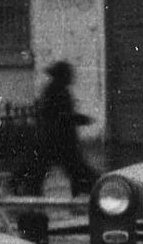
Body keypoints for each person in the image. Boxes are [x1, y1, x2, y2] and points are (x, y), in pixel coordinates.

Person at [16, 60, 96, 198]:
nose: (72, 77)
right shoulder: (57, 91)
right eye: (69, 74)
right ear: (63, 75)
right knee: (76, 170)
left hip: (53, 139)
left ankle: (23, 189)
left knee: (37, 169)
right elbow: (60, 116)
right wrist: (79, 119)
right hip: (59, 140)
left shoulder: (54, 89)